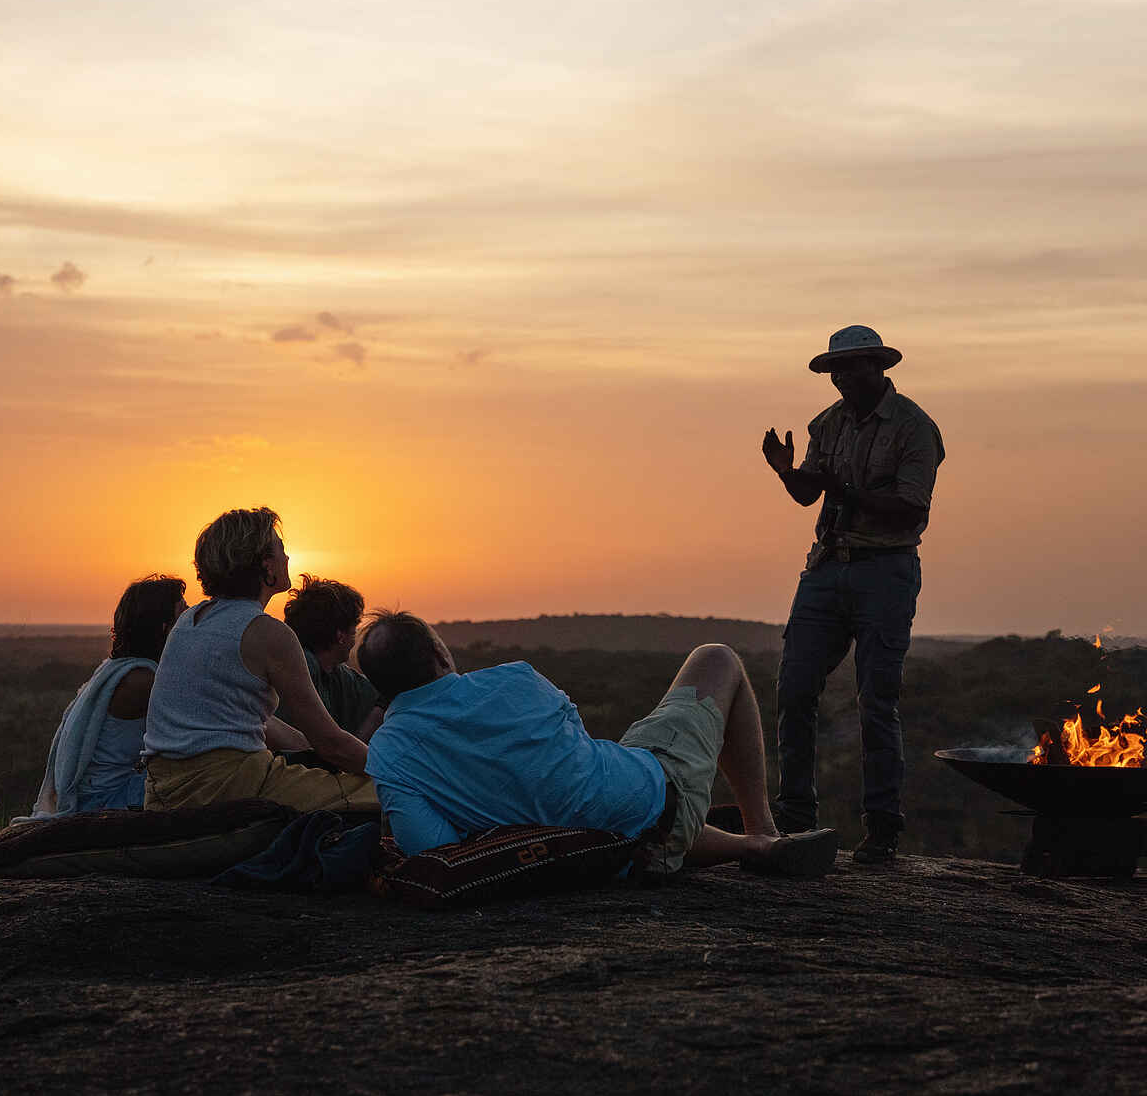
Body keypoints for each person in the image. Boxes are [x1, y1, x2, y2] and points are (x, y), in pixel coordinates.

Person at [359, 610, 840, 877]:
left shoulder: (390, 754)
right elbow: (574, 765)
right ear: (441, 653)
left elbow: (432, 848)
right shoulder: (515, 680)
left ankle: (749, 846)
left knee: (615, 810)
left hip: (603, 859)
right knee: (717, 658)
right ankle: (766, 830)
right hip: (650, 802)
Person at [760, 325, 944, 864]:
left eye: (851, 368)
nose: (841, 378)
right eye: (835, 371)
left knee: (876, 700)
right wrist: (785, 471)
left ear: (879, 368)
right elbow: (807, 494)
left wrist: (846, 492)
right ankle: (796, 818)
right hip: (825, 567)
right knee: (794, 691)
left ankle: (882, 828)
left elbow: (913, 508)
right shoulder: (829, 423)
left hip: (884, 571)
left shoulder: (914, 427)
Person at [142, 507, 379, 812]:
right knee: (382, 791)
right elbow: (331, 742)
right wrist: (398, 771)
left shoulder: (191, 620)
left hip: (163, 788)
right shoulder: (267, 633)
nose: (288, 558)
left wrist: (307, 750)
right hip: (228, 784)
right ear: (267, 565)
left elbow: (250, 723)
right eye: (281, 549)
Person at [23, 574, 187, 818]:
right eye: (184, 615)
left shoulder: (121, 670)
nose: (193, 622)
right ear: (165, 629)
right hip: (105, 801)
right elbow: (196, 728)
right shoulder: (142, 681)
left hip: (97, 795)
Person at [277, 574, 382, 738]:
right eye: (354, 630)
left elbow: (378, 695)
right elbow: (327, 745)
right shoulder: (301, 668)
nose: (354, 639)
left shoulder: (336, 673)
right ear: (340, 636)